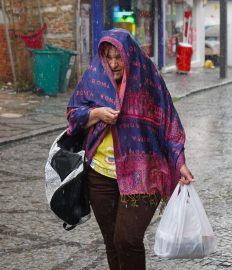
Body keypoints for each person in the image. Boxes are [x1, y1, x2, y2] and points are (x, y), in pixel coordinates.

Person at [66, 29, 194, 270]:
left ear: (130, 55)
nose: (113, 64)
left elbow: (169, 124)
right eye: (108, 56)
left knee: (127, 239)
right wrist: (97, 114)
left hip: (144, 174)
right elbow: (73, 116)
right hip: (100, 175)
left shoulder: (148, 79)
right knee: (112, 242)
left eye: (118, 57)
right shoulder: (93, 76)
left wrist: (180, 162)